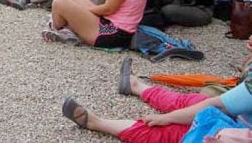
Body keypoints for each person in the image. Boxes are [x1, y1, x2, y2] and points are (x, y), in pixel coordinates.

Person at [62, 51, 252, 141]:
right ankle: (138, 87)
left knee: (170, 129)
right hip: (237, 115)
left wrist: (164, 118)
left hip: (235, 130)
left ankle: (97, 123)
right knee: (191, 103)